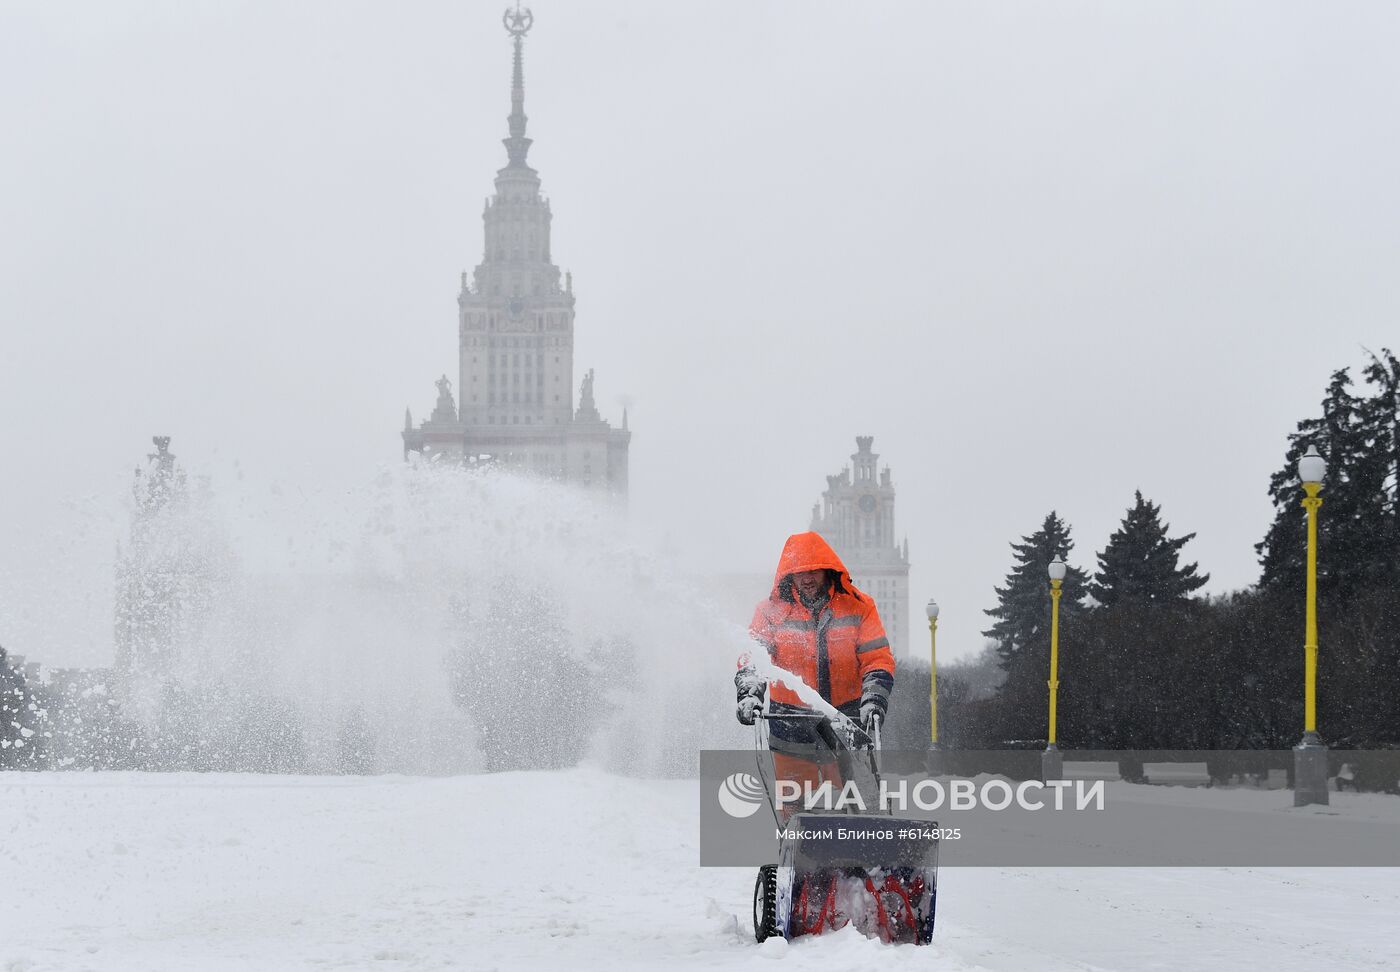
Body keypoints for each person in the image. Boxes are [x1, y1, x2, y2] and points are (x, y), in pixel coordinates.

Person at [735, 532, 896, 805]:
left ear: (828, 570)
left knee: (861, 802)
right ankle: (798, 845)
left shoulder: (859, 607)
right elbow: (753, 660)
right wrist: (749, 694)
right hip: (790, 725)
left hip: (847, 720)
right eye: (798, 572)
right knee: (795, 807)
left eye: (813, 571)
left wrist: (873, 701)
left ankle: (865, 840)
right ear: (788, 575)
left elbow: (877, 658)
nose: (807, 578)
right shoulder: (770, 612)